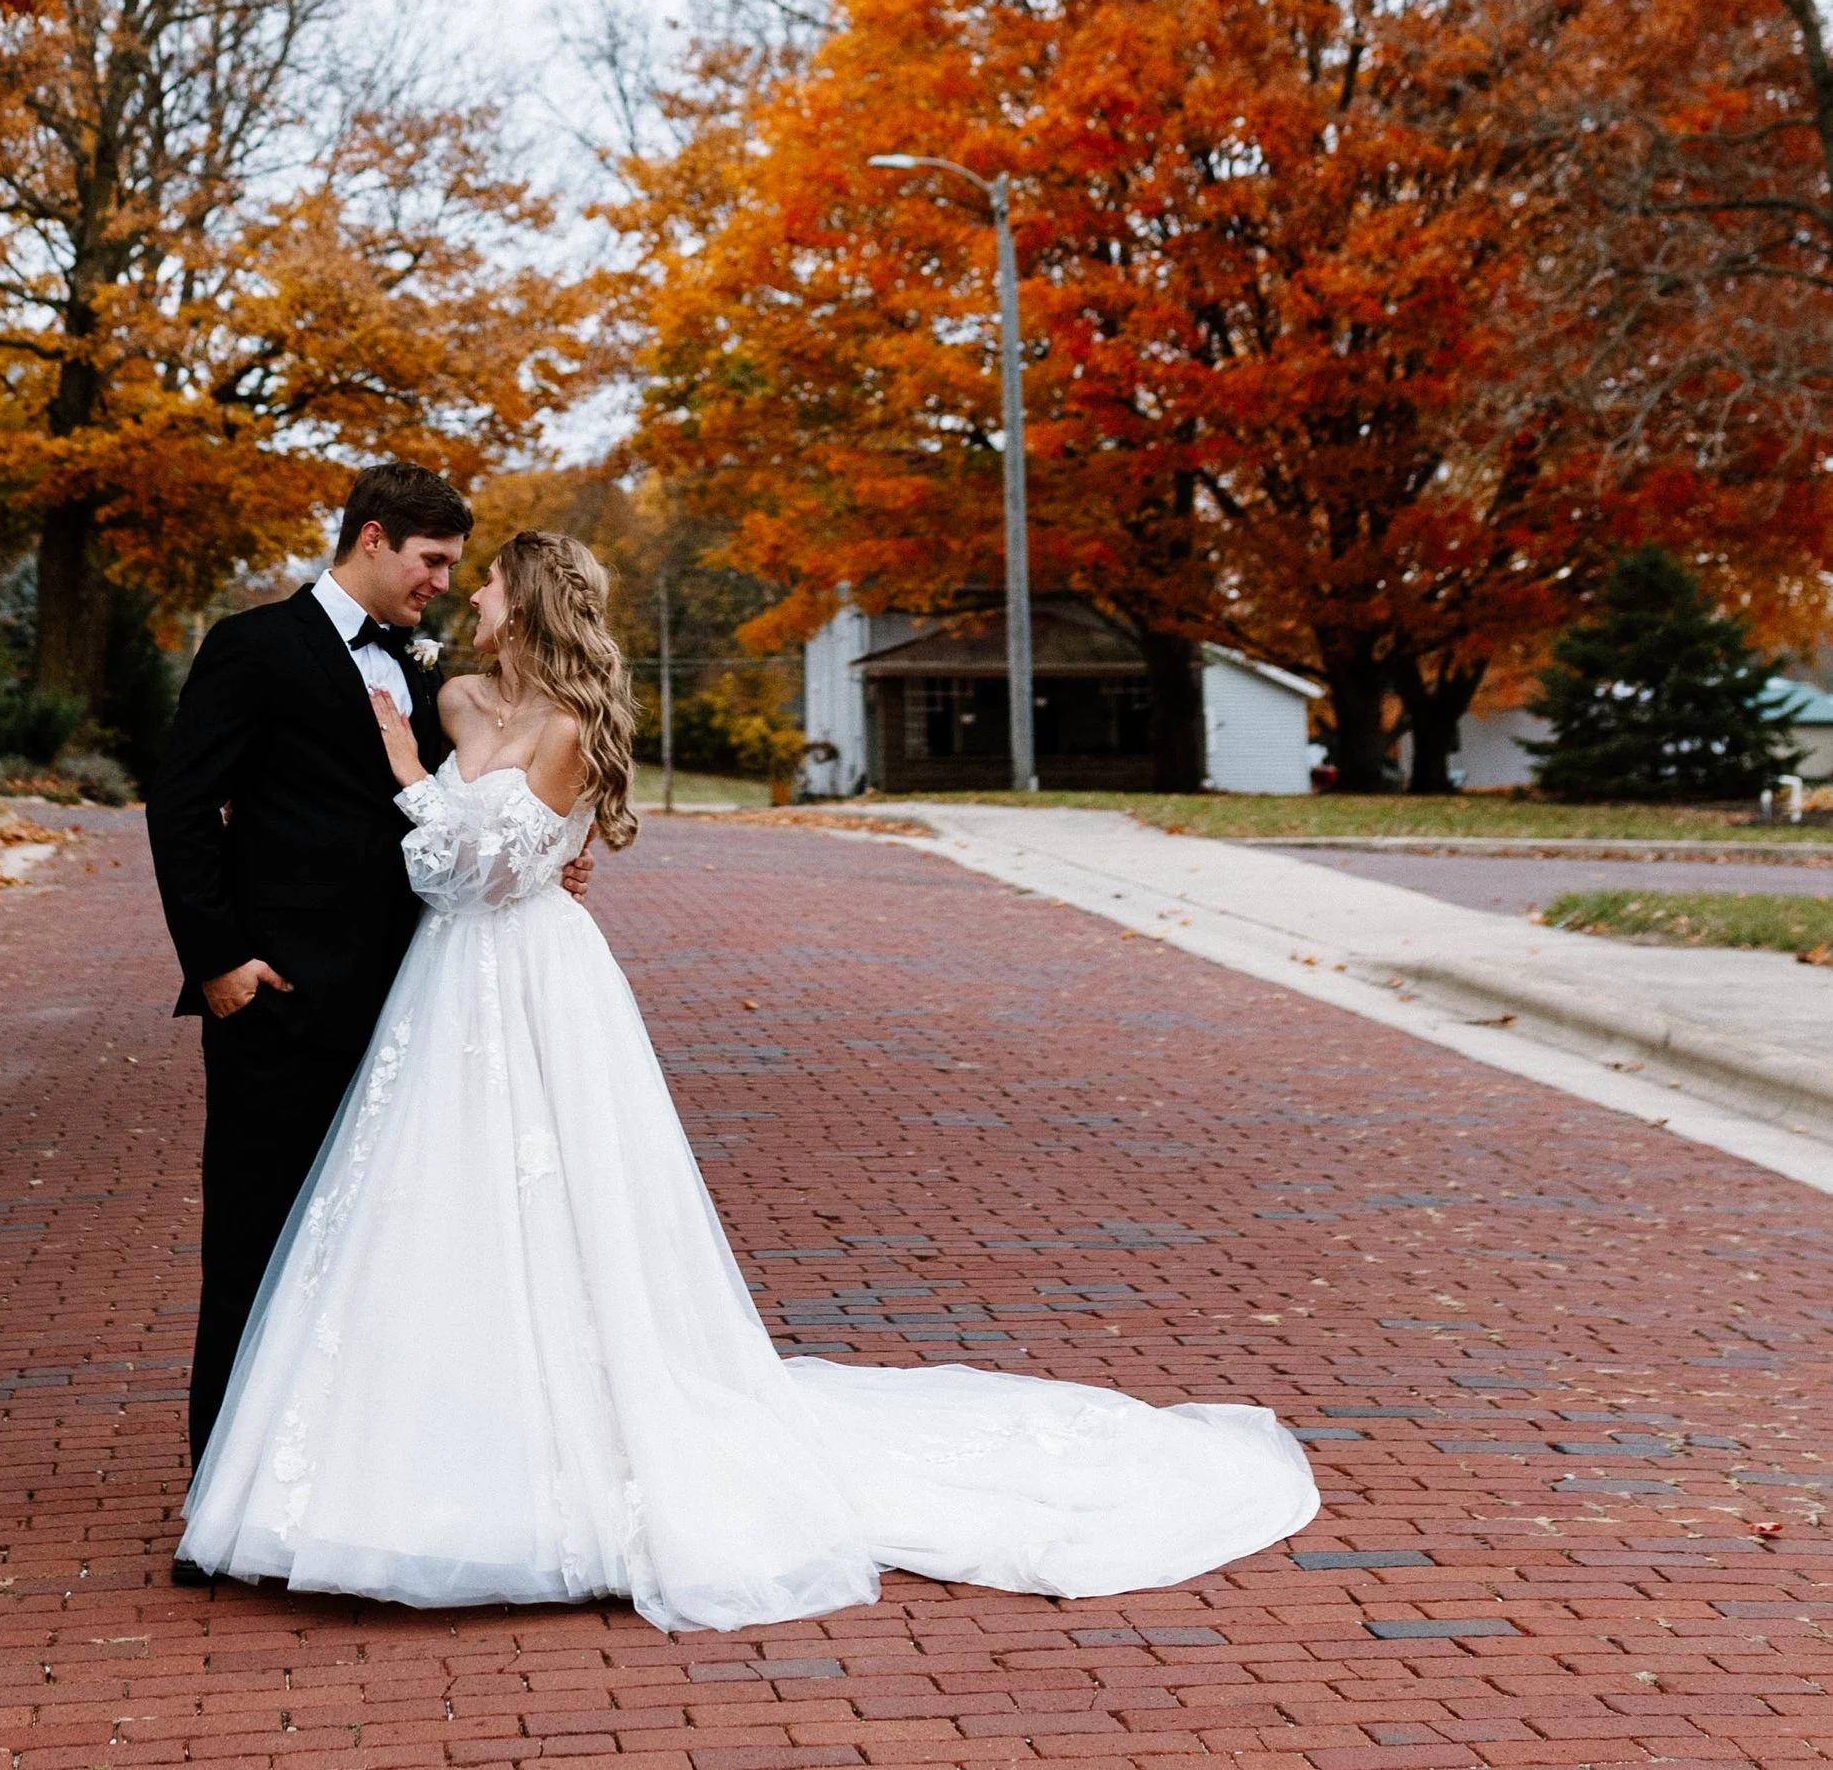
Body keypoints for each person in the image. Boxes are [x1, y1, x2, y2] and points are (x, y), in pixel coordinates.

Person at [178, 528, 1320, 1633]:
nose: (465, 596)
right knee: (431, 1207)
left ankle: (572, 1450)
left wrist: (410, 779)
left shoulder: (563, 724)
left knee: (559, 1203)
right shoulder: (462, 697)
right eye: (452, 573)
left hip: (526, 977)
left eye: (482, 583)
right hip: (440, 991)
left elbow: (477, 870)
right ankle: (410, 1442)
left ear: (523, 604)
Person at [147, 457, 474, 1520]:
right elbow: (182, 806)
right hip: (277, 1001)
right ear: (372, 537)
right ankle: (225, 1488)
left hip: (405, 1004)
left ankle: (339, 1474)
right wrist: (219, 963)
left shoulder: (421, 667)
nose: (440, 585)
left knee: (373, 1239)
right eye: (431, 562)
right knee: (255, 1236)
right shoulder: (252, 647)